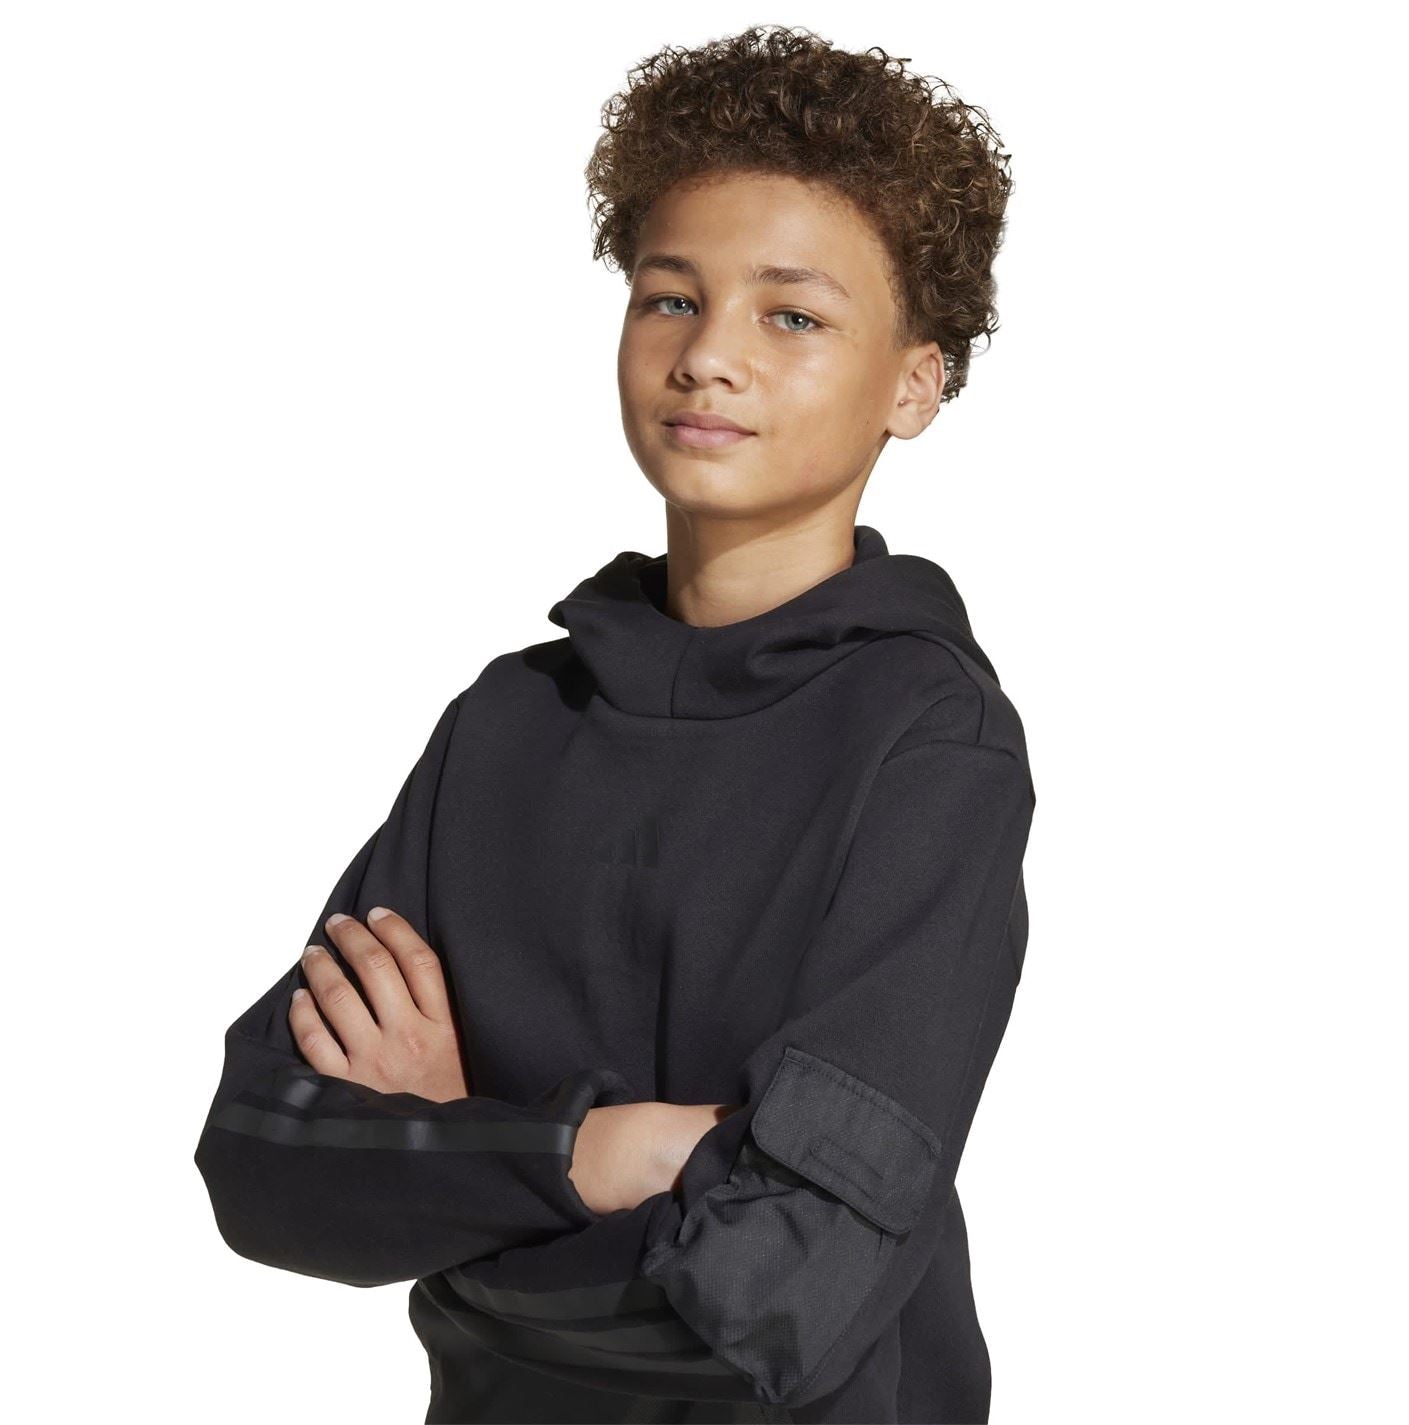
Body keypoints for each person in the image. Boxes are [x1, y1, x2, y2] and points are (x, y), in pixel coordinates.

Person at [193, 23, 1035, 1425]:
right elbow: (259, 1158)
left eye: (792, 316)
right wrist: (597, 1153)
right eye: (669, 298)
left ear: (914, 383)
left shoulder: (931, 748)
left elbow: (778, 1291)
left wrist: (454, 1169)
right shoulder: (507, 722)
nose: (708, 356)